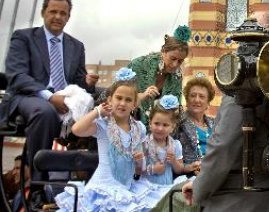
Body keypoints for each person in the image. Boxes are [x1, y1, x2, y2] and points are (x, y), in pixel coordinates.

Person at [160, 11, 269, 212]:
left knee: (170, 201)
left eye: (248, 33)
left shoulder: (248, 79)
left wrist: (199, 188)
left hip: (237, 198)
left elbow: (224, 144)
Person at [0, 0, 99, 191]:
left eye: (63, 13)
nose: (58, 16)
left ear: (68, 17)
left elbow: (78, 81)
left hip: (67, 98)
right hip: (29, 96)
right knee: (44, 111)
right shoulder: (24, 37)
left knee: (105, 114)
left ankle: (94, 182)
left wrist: (87, 82)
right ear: (43, 12)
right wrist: (49, 96)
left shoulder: (76, 46)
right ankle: (39, 184)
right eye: (53, 11)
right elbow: (17, 75)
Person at [54, 68, 172, 211]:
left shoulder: (139, 127)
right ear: (110, 100)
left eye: (128, 100)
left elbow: (139, 167)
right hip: (104, 187)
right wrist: (97, 112)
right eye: (119, 98)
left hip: (128, 187)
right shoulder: (103, 124)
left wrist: (139, 160)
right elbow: (77, 129)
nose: (122, 103)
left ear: (134, 104)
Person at [127, 25, 190, 128]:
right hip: (129, 126)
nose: (175, 64)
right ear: (163, 52)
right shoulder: (138, 65)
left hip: (158, 132)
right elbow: (116, 95)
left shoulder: (177, 76)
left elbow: (175, 109)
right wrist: (142, 96)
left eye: (180, 61)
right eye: (173, 58)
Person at [173, 77, 215, 173]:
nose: (197, 100)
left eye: (201, 96)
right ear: (187, 100)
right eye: (193, 95)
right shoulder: (177, 123)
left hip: (214, 172)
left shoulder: (215, 124)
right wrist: (188, 168)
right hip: (189, 175)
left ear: (208, 102)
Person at [143, 95, 186, 185]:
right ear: (150, 123)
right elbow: (137, 169)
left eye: (165, 125)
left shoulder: (175, 145)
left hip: (166, 186)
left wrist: (174, 161)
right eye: (156, 123)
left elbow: (180, 170)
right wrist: (153, 169)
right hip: (147, 186)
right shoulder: (144, 143)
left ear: (172, 127)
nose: (160, 128)